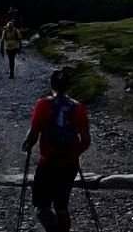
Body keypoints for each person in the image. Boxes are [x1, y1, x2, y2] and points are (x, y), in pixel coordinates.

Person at [22, 68, 90, 232]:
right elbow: (86, 140)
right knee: (62, 204)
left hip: (48, 163)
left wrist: (28, 144)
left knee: (41, 205)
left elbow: (34, 133)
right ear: (68, 86)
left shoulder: (43, 104)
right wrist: (74, 153)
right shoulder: (78, 107)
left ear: (51, 84)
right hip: (69, 164)